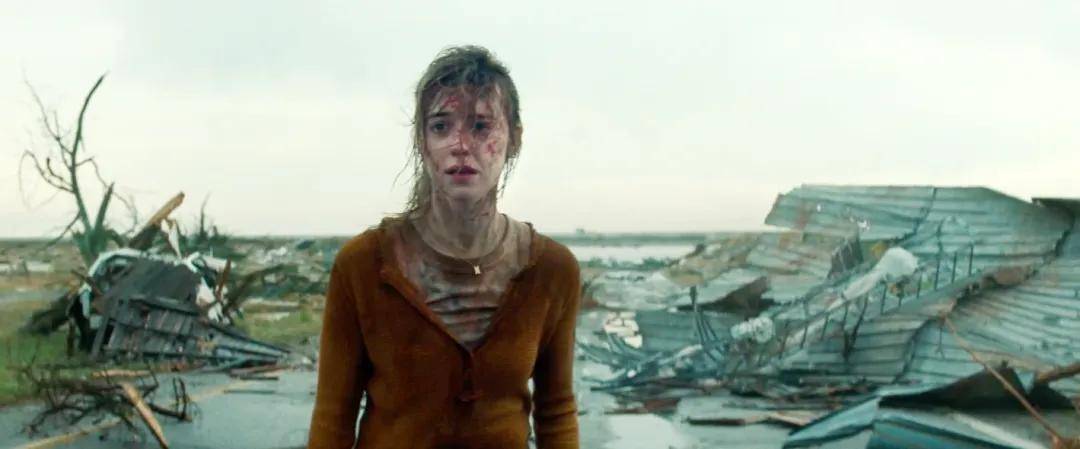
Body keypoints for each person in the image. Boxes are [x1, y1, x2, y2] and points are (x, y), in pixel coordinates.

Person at [307, 46, 581, 449]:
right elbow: (334, 416)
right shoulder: (364, 265)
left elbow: (556, 412)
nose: (460, 144)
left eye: (481, 126)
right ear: (422, 142)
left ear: (514, 139)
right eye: (441, 126)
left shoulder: (552, 270)